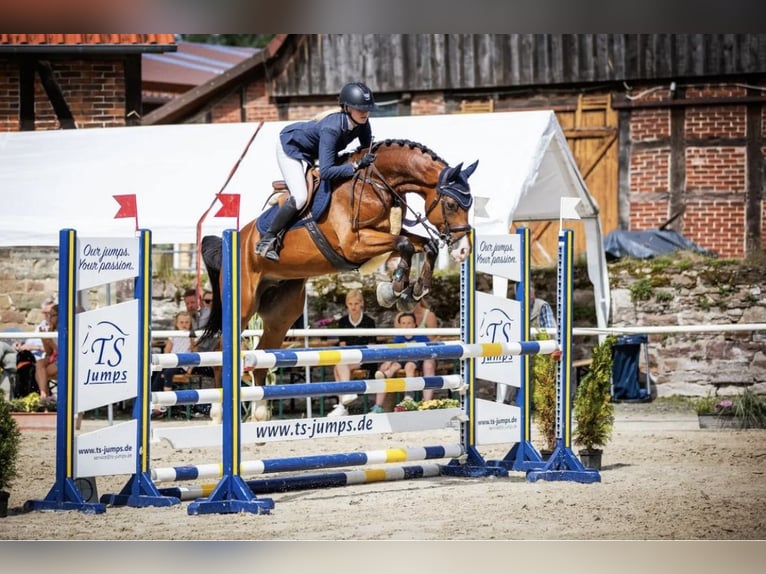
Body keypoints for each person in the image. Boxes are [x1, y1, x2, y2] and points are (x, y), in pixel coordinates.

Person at [255, 81, 378, 262]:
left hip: (315, 151)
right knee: (301, 197)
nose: (365, 112)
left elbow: (366, 151)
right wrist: (355, 166)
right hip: (292, 149)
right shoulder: (332, 128)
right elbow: (327, 171)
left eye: (367, 108)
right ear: (346, 108)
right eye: (360, 108)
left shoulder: (363, 123)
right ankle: (267, 239)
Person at [328, 289, 377, 418]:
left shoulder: (369, 322)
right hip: (348, 358)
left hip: (365, 359)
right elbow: (343, 345)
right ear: (346, 304)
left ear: (362, 304)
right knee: (339, 366)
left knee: (338, 368)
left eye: (356, 303)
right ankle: (344, 399)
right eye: (350, 304)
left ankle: (342, 404)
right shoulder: (343, 322)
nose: (353, 307)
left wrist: (359, 359)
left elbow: (371, 347)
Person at [370, 311, 431, 413]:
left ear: (415, 324)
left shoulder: (420, 336)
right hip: (401, 358)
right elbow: (394, 351)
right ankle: (385, 377)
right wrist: (388, 362)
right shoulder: (399, 337)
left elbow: (427, 349)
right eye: (403, 323)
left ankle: (408, 396)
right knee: (393, 366)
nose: (406, 326)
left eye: (409, 323)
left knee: (409, 367)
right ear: (400, 325)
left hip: (414, 359)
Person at [34, 304, 58, 399]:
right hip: (55, 357)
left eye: (52, 315)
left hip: (64, 358)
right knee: (39, 363)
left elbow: (64, 351)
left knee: (41, 374)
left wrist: (49, 341)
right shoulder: (52, 329)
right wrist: (44, 339)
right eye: (48, 315)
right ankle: (44, 395)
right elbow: (49, 352)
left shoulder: (64, 330)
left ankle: (44, 396)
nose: (49, 318)